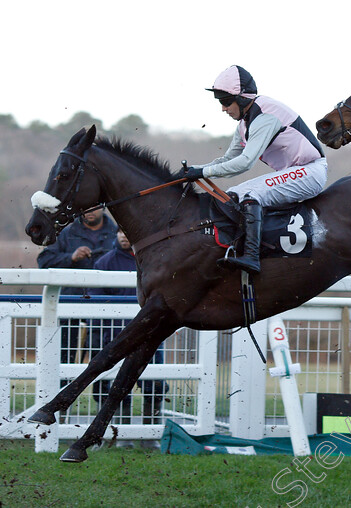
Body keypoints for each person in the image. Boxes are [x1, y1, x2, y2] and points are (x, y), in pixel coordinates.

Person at [182, 65, 327, 275]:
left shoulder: (265, 116)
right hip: (295, 172)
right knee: (233, 194)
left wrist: (203, 173)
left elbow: (245, 163)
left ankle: (252, 256)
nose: (223, 108)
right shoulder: (244, 124)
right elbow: (228, 159)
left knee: (250, 195)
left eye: (225, 102)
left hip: (310, 172)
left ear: (241, 98)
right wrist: (195, 170)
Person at [88, 230, 168, 447]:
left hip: (150, 334)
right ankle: (118, 436)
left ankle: (150, 437)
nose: (124, 235)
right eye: (120, 232)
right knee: (115, 385)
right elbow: (95, 298)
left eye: (127, 231)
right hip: (117, 336)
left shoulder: (153, 259)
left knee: (154, 383)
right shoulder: (104, 262)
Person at [36, 208, 118, 363]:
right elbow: (43, 261)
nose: (90, 212)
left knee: (103, 355)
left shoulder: (117, 233)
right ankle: (62, 386)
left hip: (105, 306)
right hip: (70, 303)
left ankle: (101, 388)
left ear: (104, 207)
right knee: (64, 354)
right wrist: (71, 258)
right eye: (86, 209)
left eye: (95, 207)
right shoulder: (66, 233)